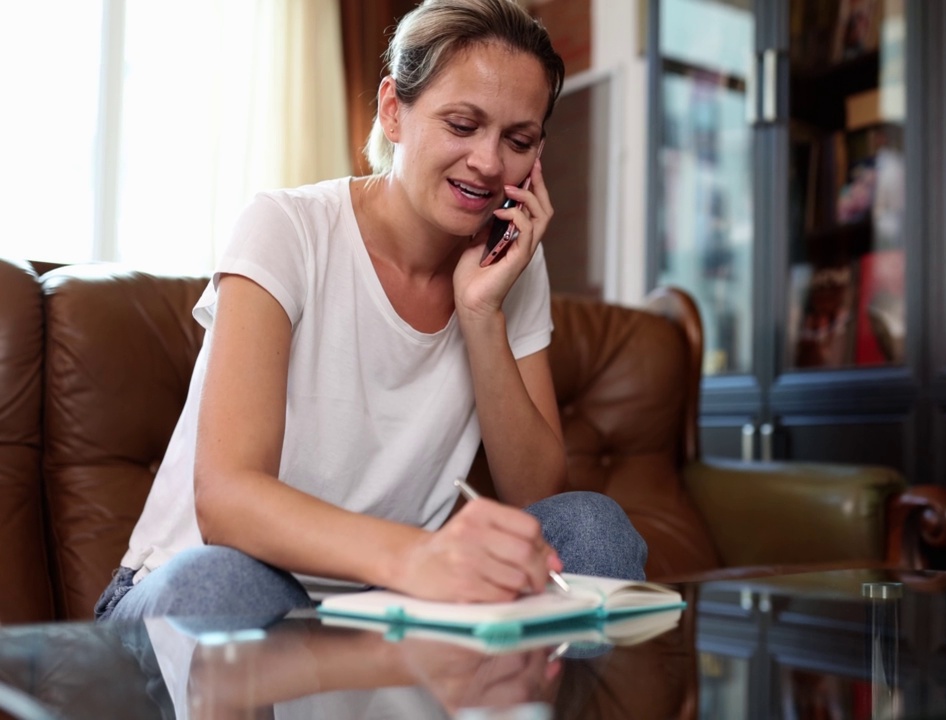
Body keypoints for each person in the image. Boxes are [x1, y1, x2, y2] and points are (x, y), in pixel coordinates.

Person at [95, 0, 648, 624]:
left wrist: (481, 313)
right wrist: (423, 558)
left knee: (589, 525)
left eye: (518, 140)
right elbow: (226, 501)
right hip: (198, 591)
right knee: (228, 583)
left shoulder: (510, 266)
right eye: (462, 125)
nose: (490, 164)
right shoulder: (287, 228)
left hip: (382, 610)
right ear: (393, 110)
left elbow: (537, 497)